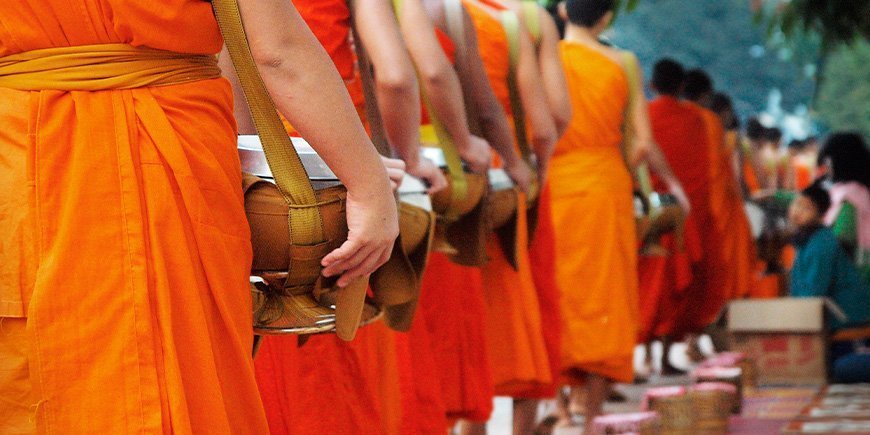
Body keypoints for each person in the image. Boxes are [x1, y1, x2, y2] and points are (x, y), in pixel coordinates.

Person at [0, 0, 399, 433]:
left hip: (19, 159)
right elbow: (277, 52)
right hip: (168, 157)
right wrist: (370, 188)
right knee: (180, 364)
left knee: (36, 367)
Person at [551, 1, 687, 430]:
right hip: (605, 183)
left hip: (556, 181)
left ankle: (558, 405)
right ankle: (590, 411)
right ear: (607, 17)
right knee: (603, 293)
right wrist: (618, 167)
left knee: (556, 289)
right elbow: (642, 143)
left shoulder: (546, 56)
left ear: (562, 10)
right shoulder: (622, 61)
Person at [647, 58, 712, 367]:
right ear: (682, 86)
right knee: (676, 285)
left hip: (651, 210)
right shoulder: (697, 120)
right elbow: (702, 171)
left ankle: (647, 355)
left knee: (649, 283)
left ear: (651, 85)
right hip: (688, 212)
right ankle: (664, 357)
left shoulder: (644, 116)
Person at [788, 184, 870, 383]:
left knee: (840, 371)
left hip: (849, 323)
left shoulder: (821, 244)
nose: (798, 212)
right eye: (796, 205)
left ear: (820, 214)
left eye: (806, 208)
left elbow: (813, 294)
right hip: (834, 323)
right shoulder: (806, 241)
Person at [817, 132, 870, 282]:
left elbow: (842, 239)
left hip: (855, 280)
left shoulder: (849, 196)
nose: (826, 167)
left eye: (828, 161)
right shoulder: (860, 190)